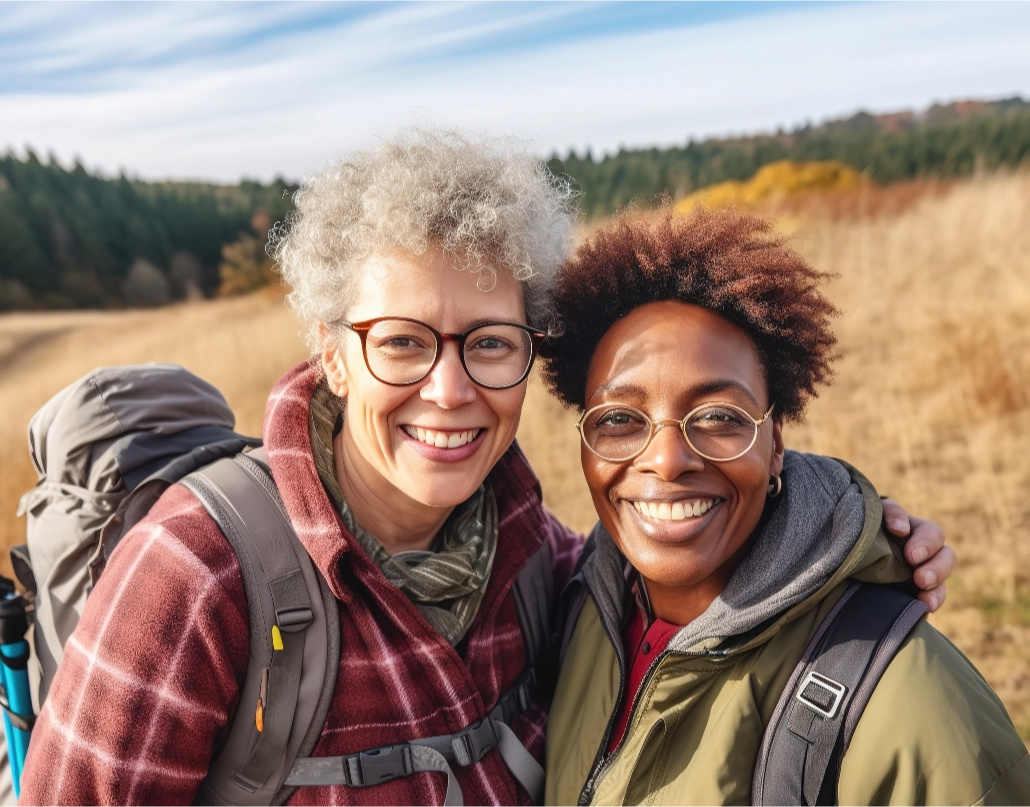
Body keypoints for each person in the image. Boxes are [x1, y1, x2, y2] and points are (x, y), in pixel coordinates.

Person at [20, 130, 953, 806]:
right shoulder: (197, 575)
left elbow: (704, 555)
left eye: (490, 343)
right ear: (332, 355)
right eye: (402, 342)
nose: (451, 388)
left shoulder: (544, 564)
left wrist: (850, 538)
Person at [541, 207, 1030, 805]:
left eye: (719, 417)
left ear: (776, 445)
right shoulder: (577, 611)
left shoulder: (905, 700)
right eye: (620, 418)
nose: (667, 460)